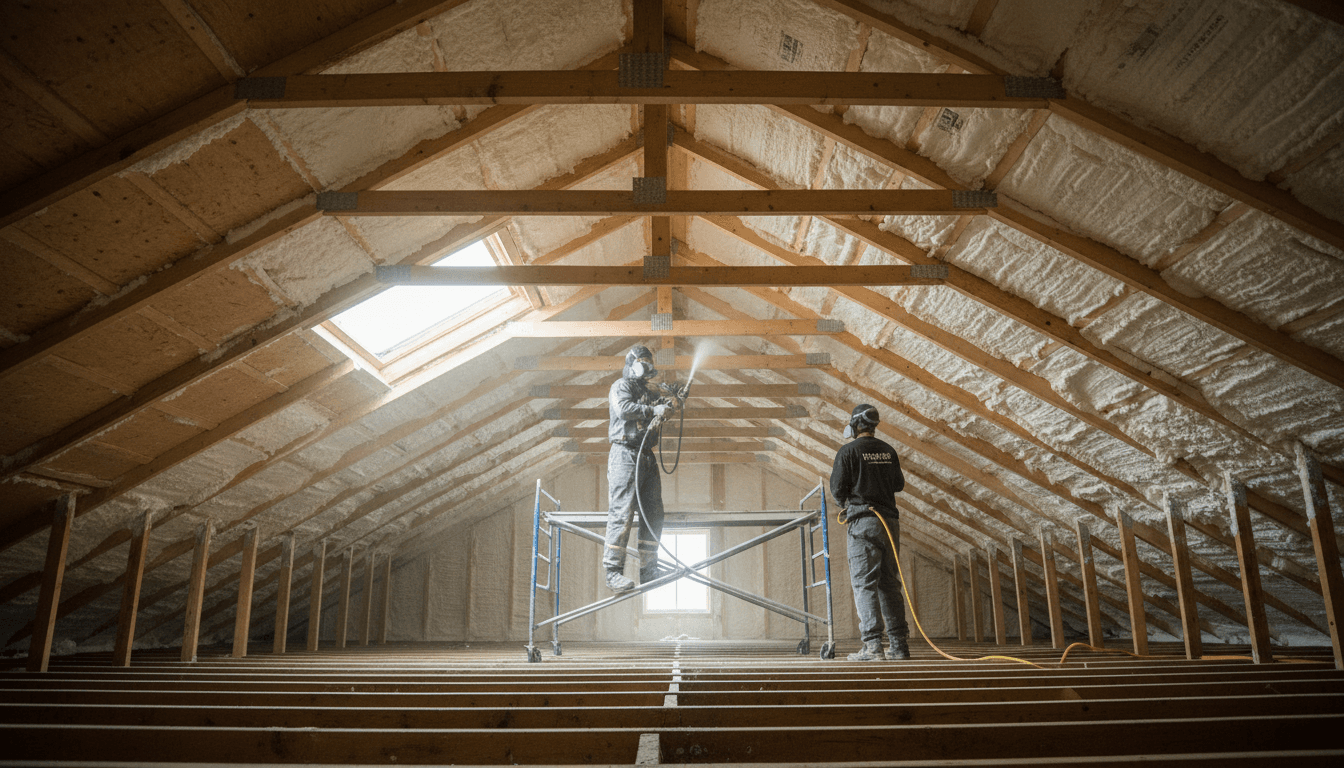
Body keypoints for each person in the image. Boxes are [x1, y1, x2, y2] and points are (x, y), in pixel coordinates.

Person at [830, 403, 910, 661]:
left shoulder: (848, 451)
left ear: (855, 425)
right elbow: (898, 484)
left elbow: (838, 492)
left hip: (863, 522)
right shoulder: (888, 450)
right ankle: (899, 647)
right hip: (889, 522)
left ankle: (873, 647)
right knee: (889, 583)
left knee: (864, 584)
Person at [603, 345, 673, 592]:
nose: (646, 365)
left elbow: (659, 407)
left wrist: (668, 406)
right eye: (642, 361)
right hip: (624, 453)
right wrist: (654, 409)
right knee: (622, 512)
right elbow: (623, 409)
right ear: (631, 363)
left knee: (653, 513)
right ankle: (613, 573)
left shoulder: (650, 392)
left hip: (646, 456)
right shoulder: (620, 386)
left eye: (648, 361)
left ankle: (648, 570)